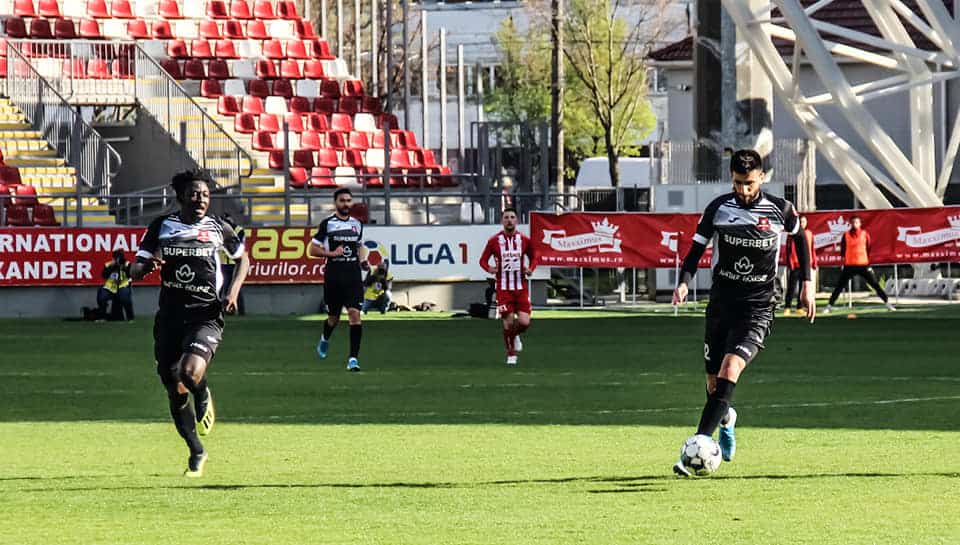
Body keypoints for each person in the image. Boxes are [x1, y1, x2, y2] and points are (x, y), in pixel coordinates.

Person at [671, 149, 815, 477]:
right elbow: (696, 249)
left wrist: (807, 282)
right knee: (714, 386)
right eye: (738, 183)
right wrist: (683, 281)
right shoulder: (719, 209)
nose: (744, 190)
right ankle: (727, 420)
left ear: (762, 177)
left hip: (758, 307)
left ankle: (697, 445)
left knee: (731, 367)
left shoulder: (780, 210)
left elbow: (801, 241)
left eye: (749, 183)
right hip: (721, 305)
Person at [130, 169, 249, 478]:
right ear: (181, 196)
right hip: (170, 317)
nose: (201, 199)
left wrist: (233, 293)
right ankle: (196, 450)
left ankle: (204, 392)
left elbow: (243, 259)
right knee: (174, 388)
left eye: (206, 195)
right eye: (195, 193)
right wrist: (145, 267)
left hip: (206, 314)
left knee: (189, 373)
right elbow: (135, 269)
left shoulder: (218, 227)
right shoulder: (162, 226)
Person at [310, 187, 367, 371]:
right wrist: (331, 253)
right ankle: (325, 338)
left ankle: (353, 359)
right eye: (342, 200)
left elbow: (359, 246)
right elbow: (312, 250)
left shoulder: (357, 224)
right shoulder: (327, 224)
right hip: (334, 277)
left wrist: (363, 260)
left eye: (348, 200)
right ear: (336, 203)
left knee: (354, 315)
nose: (346, 204)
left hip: (353, 276)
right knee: (333, 318)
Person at [479, 207, 535, 366]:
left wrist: (530, 268)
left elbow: (534, 256)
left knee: (524, 323)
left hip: (521, 288)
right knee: (508, 322)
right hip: (503, 289)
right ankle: (511, 354)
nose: (509, 220)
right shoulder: (494, 241)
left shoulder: (524, 240)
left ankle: (515, 335)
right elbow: (483, 260)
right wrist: (490, 268)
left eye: (512, 217)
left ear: (517, 220)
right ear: (502, 221)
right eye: (506, 217)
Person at [824, 215, 895, 313]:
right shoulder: (846, 235)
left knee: (875, 285)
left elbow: (869, 248)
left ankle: (887, 303)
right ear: (850, 224)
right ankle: (829, 306)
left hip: (863, 264)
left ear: (860, 224)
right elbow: (843, 250)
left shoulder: (865, 234)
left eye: (856, 222)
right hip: (849, 265)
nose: (855, 224)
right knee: (839, 286)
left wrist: (865, 260)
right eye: (853, 222)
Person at [784, 216, 818, 316]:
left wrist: (814, 261)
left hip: (805, 265)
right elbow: (788, 249)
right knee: (791, 287)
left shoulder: (809, 233)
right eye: (801, 221)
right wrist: (790, 262)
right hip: (795, 263)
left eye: (804, 221)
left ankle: (799, 307)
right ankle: (787, 306)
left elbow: (811, 249)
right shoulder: (791, 234)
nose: (802, 223)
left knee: (802, 287)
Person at [218, 213, 246, 316]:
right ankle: (221, 311)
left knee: (233, 288)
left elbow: (240, 246)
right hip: (224, 262)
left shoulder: (237, 230)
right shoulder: (236, 229)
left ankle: (238, 310)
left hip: (232, 262)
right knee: (222, 288)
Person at [97, 250, 134, 321]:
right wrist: (111, 267)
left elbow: (130, 275)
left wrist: (123, 267)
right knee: (102, 297)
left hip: (122, 285)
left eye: (119, 258)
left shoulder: (127, 264)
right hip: (110, 287)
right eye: (116, 258)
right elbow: (104, 276)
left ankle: (130, 317)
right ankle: (102, 317)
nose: (117, 260)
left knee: (125, 298)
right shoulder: (108, 264)